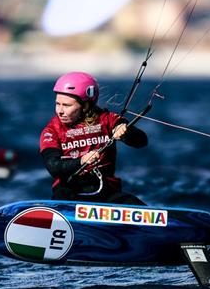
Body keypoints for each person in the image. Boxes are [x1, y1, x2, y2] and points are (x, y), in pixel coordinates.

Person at [39, 71, 148, 205]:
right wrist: (81, 161)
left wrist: (126, 133)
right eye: (58, 104)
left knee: (134, 202)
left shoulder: (107, 120)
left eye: (66, 105)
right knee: (62, 196)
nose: (59, 111)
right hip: (69, 193)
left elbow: (142, 141)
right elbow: (53, 167)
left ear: (85, 105)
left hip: (107, 192)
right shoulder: (51, 131)